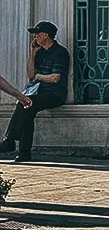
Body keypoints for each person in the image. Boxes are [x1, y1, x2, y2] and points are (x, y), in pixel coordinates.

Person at [0, 21, 70, 163]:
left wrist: (39, 76)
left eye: (37, 34)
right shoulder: (40, 52)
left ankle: (10, 141)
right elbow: (30, 74)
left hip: (54, 94)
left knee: (26, 103)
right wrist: (32, 54)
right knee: (27, 108)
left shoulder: (60, 52)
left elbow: (55, 78)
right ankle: (23, 152)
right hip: (39, 92)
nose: (35, 37)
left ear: (46, 35)